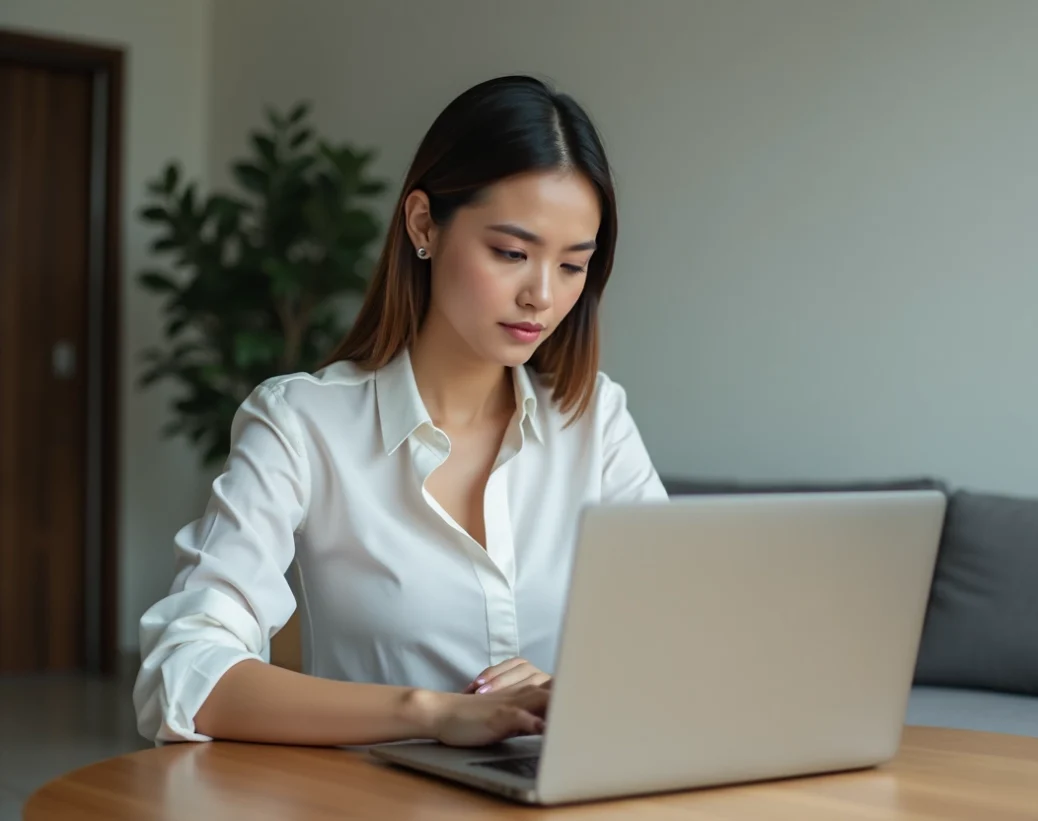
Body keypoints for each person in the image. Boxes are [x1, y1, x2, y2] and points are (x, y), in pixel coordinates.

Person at [132, 75, 667, 748]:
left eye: (572, 266)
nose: (542, 295)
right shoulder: (302, 424)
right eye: (511, 253)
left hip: (564, 790)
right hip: (374, 793)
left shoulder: (595, 420)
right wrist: (432, 712)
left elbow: (682, 636)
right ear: (423, 224)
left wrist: (568, 692)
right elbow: (183, 674)